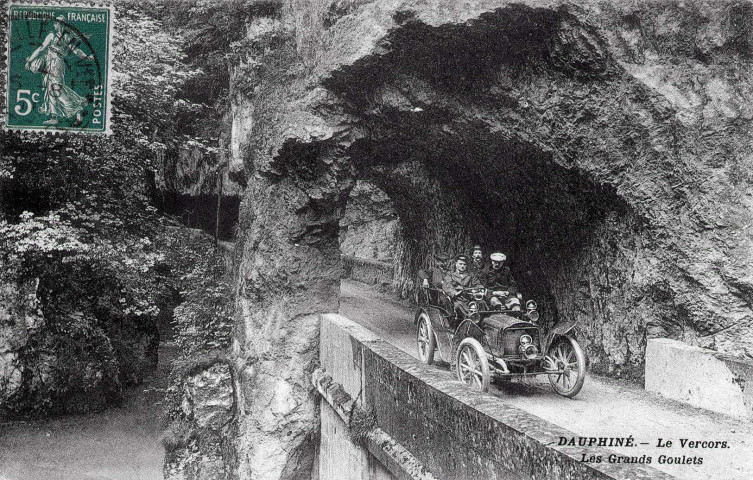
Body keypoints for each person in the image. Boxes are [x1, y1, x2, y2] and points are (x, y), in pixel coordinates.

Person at [25, 16, 94, 126]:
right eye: (55, 23)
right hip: (52, 63)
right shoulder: (60, 36)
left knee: (56, 89)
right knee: (52, 88)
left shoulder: (61, 37)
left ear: (61, 24)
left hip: (56, 64)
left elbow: (41, 49)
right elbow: (42, 48)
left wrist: (29, 61)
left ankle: (77, 108)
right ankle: (55, 115)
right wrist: (30, 60)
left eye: (56, 23)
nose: (55, 25)